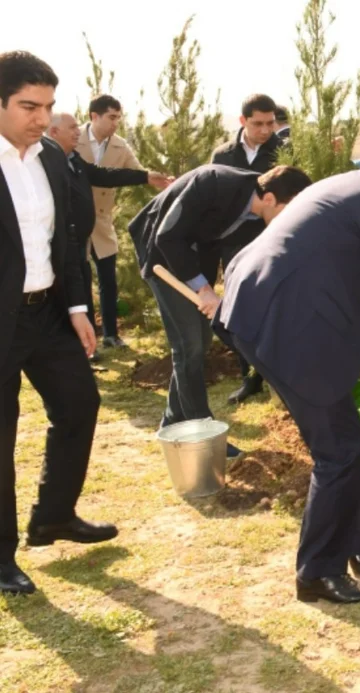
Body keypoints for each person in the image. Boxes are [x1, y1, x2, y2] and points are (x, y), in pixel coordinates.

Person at [215, 138, 360, 604]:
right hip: (287, 323)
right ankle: (317, 574)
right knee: (340, 448)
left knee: (341, 434)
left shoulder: (357, 182)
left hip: (257, 304)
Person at [0, 51, 119, 596]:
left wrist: (76, 307)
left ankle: (53, 515)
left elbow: (67, 240)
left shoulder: (51, 157)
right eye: (29, 106)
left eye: (48, 106)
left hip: (47, 313)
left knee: (79, 403)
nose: (42, 118)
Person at [128, 164, 312, 458]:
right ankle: (204, 432)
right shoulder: (212, 183)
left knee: (199, 343)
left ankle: (172, 421)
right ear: (268, 199)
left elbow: (251, 262)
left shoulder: (258, 218)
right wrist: (202, 289)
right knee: (188, 346)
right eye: (288, 210)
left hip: (196, 259)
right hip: (162, 255)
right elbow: (167, 236)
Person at [46, 112, 169, 362]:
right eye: (71, 128)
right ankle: (76, 349)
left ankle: (89, 344)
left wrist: (144, 177)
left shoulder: (74, 159)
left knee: (86, 287)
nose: (77, 131)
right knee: (70, 293)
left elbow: (104, 175)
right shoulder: (47, 163)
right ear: (53, 132)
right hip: (62, 244)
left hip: (79, 241)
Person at [211, 94, 286, 404]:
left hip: (273, 242)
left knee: (274, 308)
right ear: (243, 122)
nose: (266, 130)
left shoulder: (283, 152)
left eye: (271, 123)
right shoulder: (223, 155)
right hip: (234, 244)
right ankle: (249, 379)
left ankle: (278, 375)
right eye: (258, 124)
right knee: (239, 310)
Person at [75, 94, 145, 351]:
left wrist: (158, 180)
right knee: (81, 285)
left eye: (119, 117)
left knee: (108, 280)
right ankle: (87, 340)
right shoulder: (72, 140)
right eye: (111, 117)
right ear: (94, 116)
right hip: (74, 223)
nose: (116, 123)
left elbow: (138, 173)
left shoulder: (120, 146)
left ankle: (111, 335)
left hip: (103, 222)